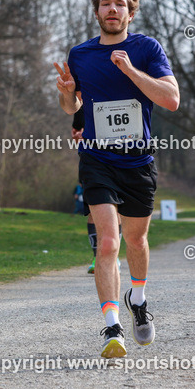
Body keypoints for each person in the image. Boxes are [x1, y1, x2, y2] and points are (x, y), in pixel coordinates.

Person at [55, 0, 180, 358]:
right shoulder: (80, 54)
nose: (113, 9)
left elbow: (171, 99)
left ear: (130, 10)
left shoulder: (146, 49)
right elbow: (72, 110)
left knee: (137, 240)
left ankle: (137, 299)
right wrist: (65, 97)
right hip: (96, 159)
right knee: (109, 241)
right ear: (96, 12)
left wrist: (130, 72)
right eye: (106, 3)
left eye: (120, 4)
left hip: (138, 162)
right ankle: (112, 328)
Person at [73, 107, 121, 274]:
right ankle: (97, 256)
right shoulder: (82, 103)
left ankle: (115, 255)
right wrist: (79, 137)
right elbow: (76, 134)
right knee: (94, 211)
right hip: (93, 164)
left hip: (121, 161)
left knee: (117, 210)